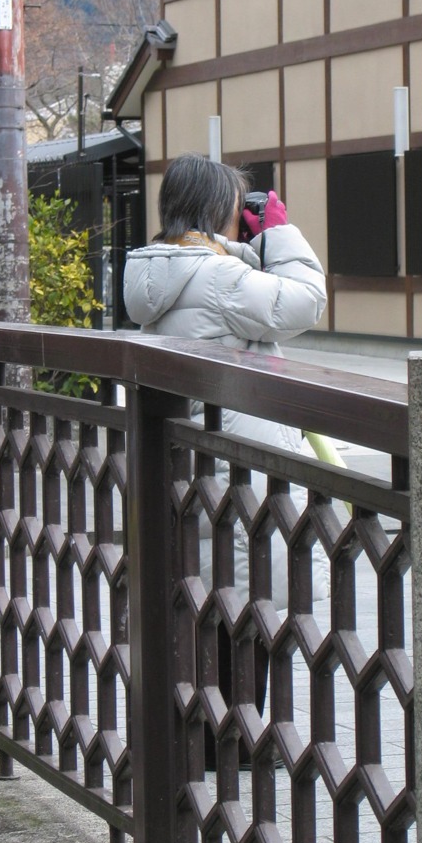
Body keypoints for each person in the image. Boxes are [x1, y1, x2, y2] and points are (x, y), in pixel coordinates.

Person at [123, 152, 329, 766]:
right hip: (238, 478)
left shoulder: (153, 272)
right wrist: (279, 233)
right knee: (245, 606)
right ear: (221, 211)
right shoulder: (219, 279)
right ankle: (227, 752)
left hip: (187, 470)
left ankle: (191, 739)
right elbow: (306, 302)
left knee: (198, 599)